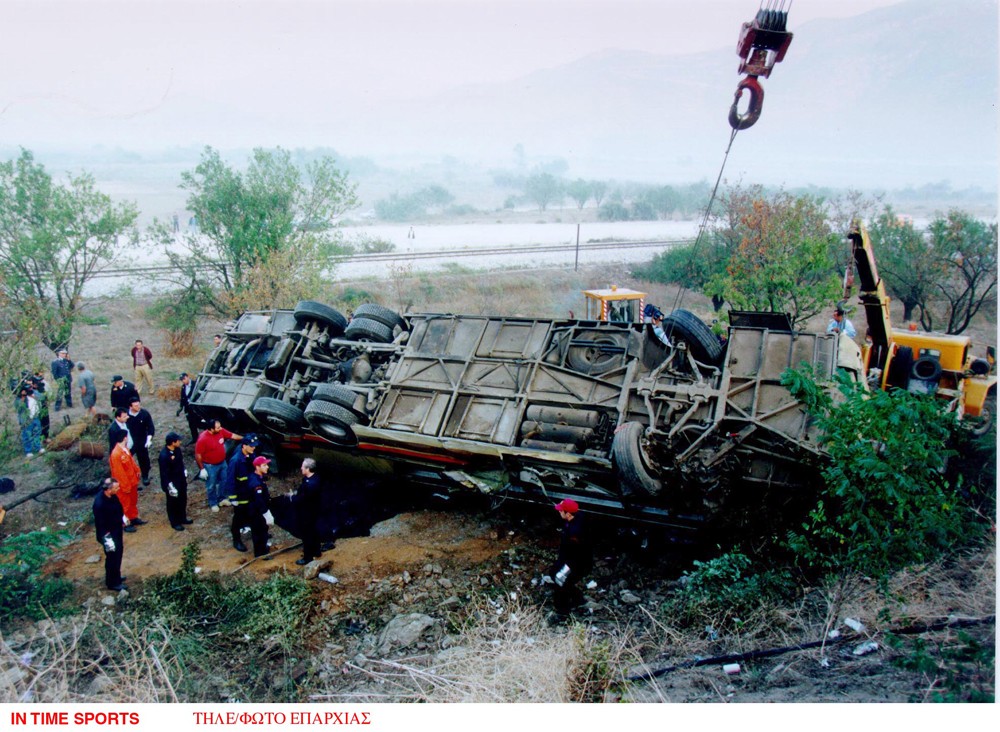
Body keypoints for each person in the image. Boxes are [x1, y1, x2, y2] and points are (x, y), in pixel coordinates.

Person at [549, 498, 593, 620]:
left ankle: (563, 612)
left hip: (577, 563)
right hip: (569, 559)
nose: (559, 512)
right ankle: (578, 598)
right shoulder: (577, 517)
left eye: (561, 511)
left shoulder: (576, 532)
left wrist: (565, 568)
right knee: (554, 573)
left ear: (568, 514)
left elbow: (576, 554)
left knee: (560, 581)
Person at [194, 419, 243, 512]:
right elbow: (198, 455)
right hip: (210, 466)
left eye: (220, 426)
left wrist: (244, 438)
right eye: (218, 427)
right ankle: (213, 502)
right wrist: (202, 469)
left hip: (222, 463)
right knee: (211, 485)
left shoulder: (220, 431)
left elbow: (232, 435)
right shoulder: (203, 439)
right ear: (211, 429)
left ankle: (222, 498)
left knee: (224, 480)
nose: (220, 428)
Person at [226, 433, 259, 552]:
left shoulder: (251, 455)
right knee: (239, 518)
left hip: (250, 492)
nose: (254, 448)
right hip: (241, 494)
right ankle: (236, 539)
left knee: (253, 513)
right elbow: (230, 480)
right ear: (244, 446)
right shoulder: (235, 461)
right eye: (251, 446)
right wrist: (233, 498)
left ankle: (253, 530)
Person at [92, 477, 127, 591]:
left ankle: (116, 576)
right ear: (108, 489)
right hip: (108, 535)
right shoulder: (99, 504)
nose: (119, 489)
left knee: (118, 554)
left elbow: (118, 507)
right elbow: (100, 524)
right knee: (112, 557)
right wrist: (107, 540)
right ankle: (112, 583)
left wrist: (123, 517)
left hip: (116, 530)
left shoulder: (112, 496)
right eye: (116, 487)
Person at [109, 431, 143, 531]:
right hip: (124, 485)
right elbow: (119, 473)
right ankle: (125, 524)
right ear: (125, 438)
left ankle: (133, 517)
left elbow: (131, 462)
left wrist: (137, 470)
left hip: (132, 481)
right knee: (124, 505)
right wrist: (125, 486)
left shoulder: (125, 449)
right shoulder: (116, 454)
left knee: (133, 501)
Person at [158, 432, 192, 531]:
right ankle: (175, 522)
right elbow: (164, 473)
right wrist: (169, 486)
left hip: (180, 479)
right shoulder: (164, 456)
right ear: (173, 442)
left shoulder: (177, 450)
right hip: (172, 482)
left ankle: (182, 517)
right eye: (178, 440)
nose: (180, 442)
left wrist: (184, 470)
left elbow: (180, 462)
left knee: (182, 499)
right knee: (173, 503)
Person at [295, 458, 323, 565]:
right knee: (314, 532)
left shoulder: (310, 485)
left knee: (306, 535)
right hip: (314, 511)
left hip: (307, 513)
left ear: (308, 469)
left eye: (303, 466)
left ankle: (307, 557)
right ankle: (317, 551)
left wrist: (293, 498)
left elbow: (302, 499)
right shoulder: (315, 478)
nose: (301, 468)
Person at [247, 456, 275, 558]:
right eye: (264, 465)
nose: (267, 467)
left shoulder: (258, 477)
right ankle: (261, 553)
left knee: (263, 530)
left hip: (257, 510)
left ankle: (263, 548)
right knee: (259, 531)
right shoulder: (256, 483)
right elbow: (259, 500)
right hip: (256, 512)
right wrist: (266, 513)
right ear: (257, 467)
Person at [126, 397, 155, 486]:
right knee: (127, 459)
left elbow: (150, 427)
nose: (138, 406)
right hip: (130, 441)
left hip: (142, 440)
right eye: (136, 405)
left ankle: (145, 475)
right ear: (130, 407)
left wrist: (149, 439)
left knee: (144, 459)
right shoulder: (126, 416)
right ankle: (129, 477)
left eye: (139, 404)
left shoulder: (144, 414)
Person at [14, 385, 43, 459]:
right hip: (26, 419)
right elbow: (18, 407)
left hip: (35, 417)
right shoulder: (19, 398)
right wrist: (23, 397)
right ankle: (28, 450)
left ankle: (38, 447)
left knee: (37, 433)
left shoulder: (34, 393)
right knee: (27, 435)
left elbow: (42, 398)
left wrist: (34, 395)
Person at [176, 373, 199, 443]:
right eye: (182, 380)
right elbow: (183, 398)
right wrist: (180, 408)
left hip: (196, 409)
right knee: (191, 424)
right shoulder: (183, 387)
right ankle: (195, 437)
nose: (183, 381)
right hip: (188, 409)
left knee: (200, 422)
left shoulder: (196, 384)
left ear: (188, 377)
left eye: (184, 379)